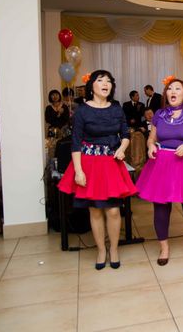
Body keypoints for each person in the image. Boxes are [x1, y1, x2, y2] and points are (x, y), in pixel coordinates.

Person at [57, 70, 137, 270]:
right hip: (89, 164)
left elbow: (125, 134)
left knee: (113, 210)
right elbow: (76, 142)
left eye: (109, 81)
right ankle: (101, 250)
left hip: (111, 164)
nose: (105, 84)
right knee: (95, 210)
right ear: (91, 86)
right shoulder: (82, 111)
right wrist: (78, 171)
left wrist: (122, 148)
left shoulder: (117, 108)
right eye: (100, 80)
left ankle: (114, 249)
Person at [136, 76, 183, 265]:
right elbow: (151, 138)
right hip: (162, 164)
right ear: (166, 94)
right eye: (170, 89)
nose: (173, 92)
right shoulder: (159, 114)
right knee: (161, 208)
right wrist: (150, 146)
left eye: (177, 88)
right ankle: (164, 247)